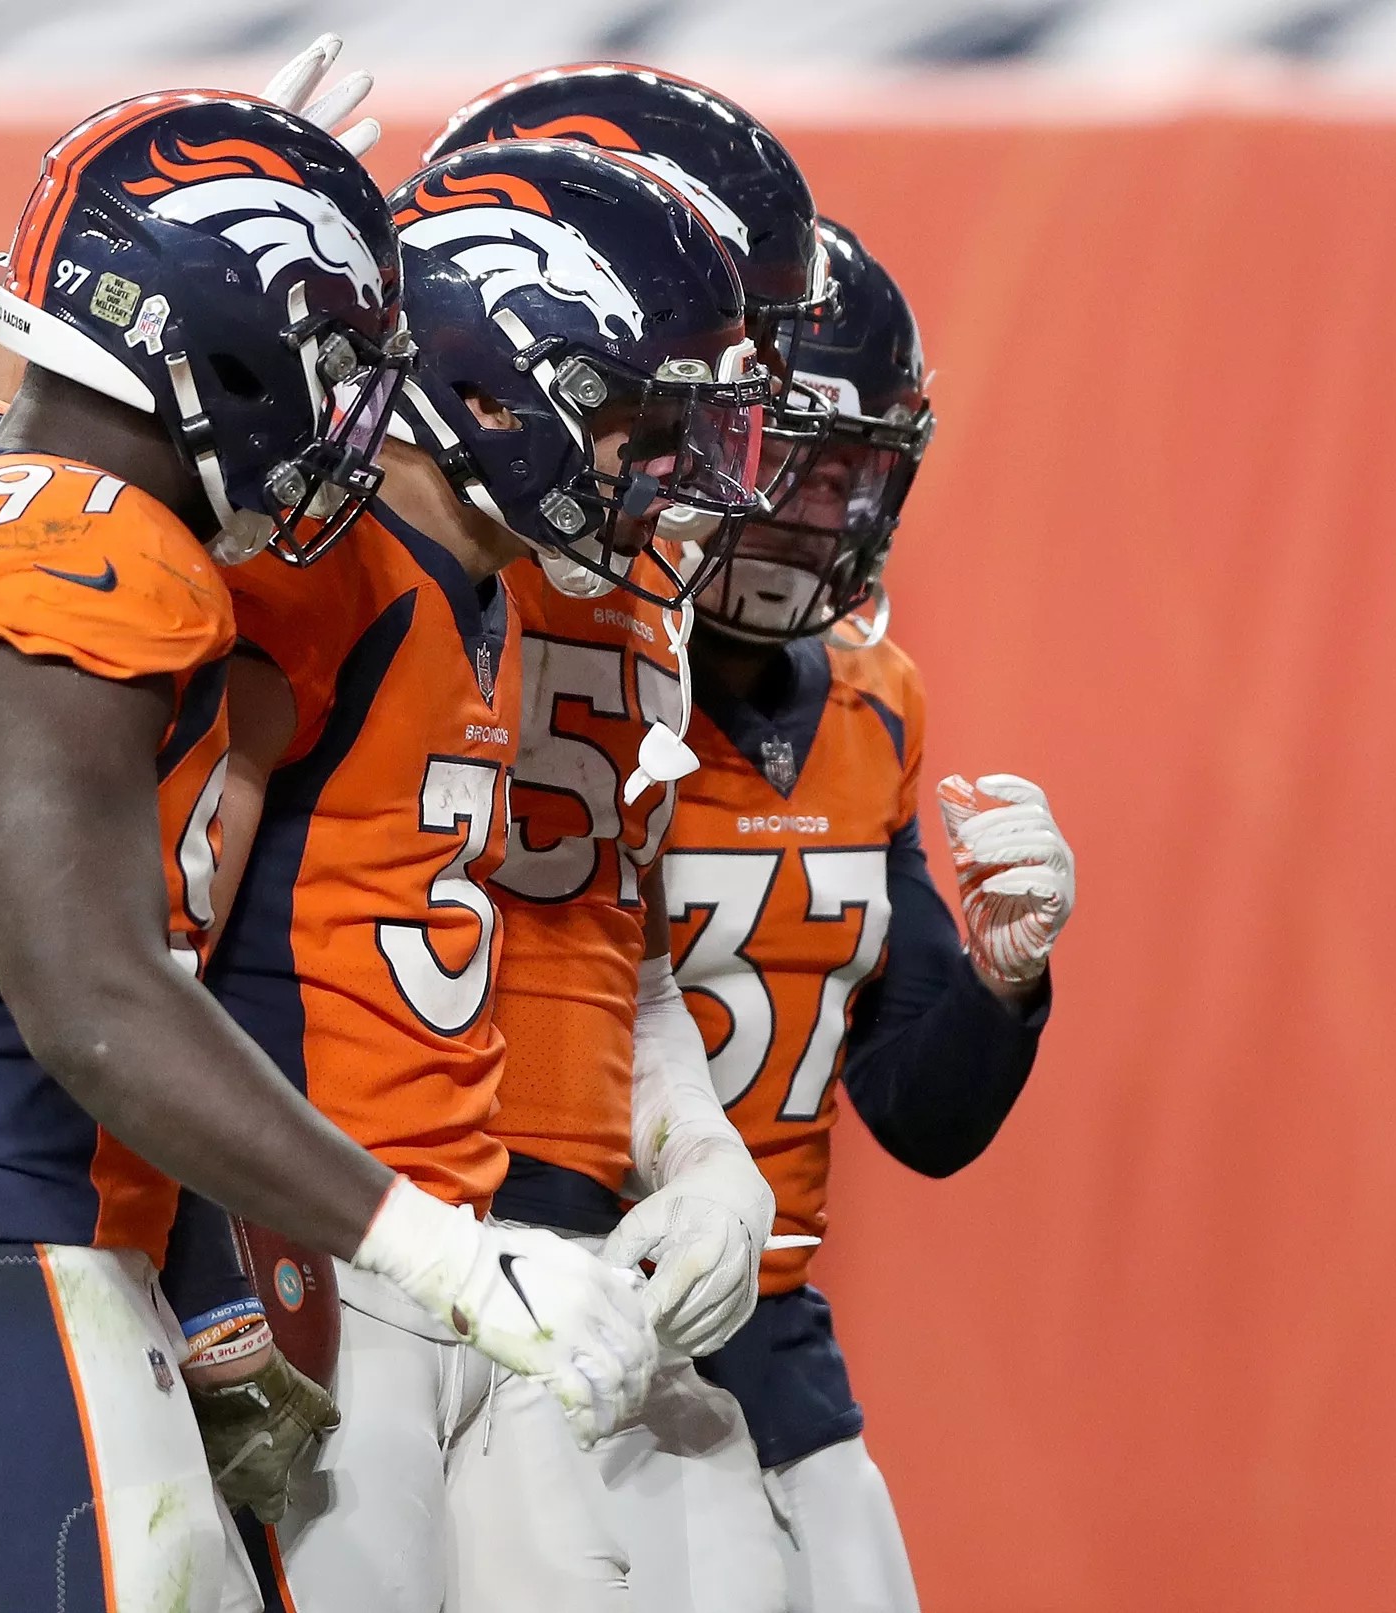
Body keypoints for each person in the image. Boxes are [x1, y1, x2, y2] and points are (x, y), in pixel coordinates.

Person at [0, 93, 657, 1613]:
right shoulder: (94, 558)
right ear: (206, 341)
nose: (352, 411)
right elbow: (91, 993)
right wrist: (435, 1253)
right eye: (335, 357)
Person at [195, 135, 776, 1613]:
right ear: (496, 385)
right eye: (637, 428)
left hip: (465, 1251)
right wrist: (209, 1276)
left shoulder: (479, 590)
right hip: (322, 1247)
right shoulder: (307, 579)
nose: (667, 478)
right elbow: (144, 957)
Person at [420, 65, 837, 1613]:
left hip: (574, 1244)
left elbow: (595, 907)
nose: (733, 414)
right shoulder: (376, 546)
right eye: (686, 372)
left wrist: (699, 1148)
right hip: (375, 1243)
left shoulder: (629, 553)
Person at [668, 220, 1076, 1613]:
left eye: (843, 471)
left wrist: (1006, 980)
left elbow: (921, 1110)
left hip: (777, 1335)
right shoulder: (554, 675)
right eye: (780, 457)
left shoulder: (873, 695)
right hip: (566, 1312)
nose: (805, 508)